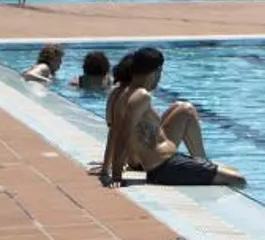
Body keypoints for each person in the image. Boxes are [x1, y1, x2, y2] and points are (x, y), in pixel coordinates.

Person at [102, 47, 246, 187]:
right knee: (239, 179)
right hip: (167, 167)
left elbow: (116, 132)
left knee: (232, 170)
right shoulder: (141, 96)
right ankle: (203, 163)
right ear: (156, 71)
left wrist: (108, 170)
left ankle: (203, 163)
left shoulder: (124, 94)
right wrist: (116, 175)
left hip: (167, 164)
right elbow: (123, 135)